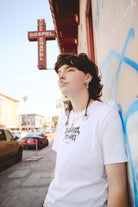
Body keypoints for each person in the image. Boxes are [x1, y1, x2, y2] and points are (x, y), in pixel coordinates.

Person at [44, 53, 128, 207]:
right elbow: (59, 168)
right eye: (59, 72)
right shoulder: (64, 118)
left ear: (87, 77)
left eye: (69, 70)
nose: (61, 76)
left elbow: (117, 185)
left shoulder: (106, 115)